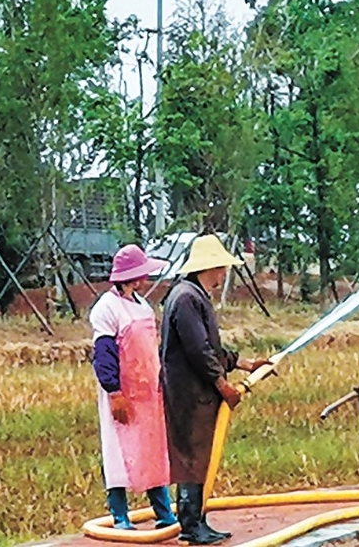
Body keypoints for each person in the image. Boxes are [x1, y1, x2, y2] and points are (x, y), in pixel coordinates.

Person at [160, 234, 271, 545]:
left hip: (197, 391)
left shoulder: (193, 295)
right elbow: (199, 351)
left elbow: (212, 348)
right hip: (189, 394)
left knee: (200, 454)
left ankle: (197, 520)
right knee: (192, 455)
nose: (224, 273)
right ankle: (191, 525)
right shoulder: (185, 298)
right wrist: (223, 385)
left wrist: (246, 364)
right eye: (221, 267)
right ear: (209, 267)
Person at [89, 244, 177, 531]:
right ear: (135, 277)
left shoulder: (142, 305)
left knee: (152, 451)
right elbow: (103, 354)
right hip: (124, 393)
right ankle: (120, 517)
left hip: (149, 394)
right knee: (118, 453)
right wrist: (114, 392)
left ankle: (164, 512)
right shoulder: (106, 308)